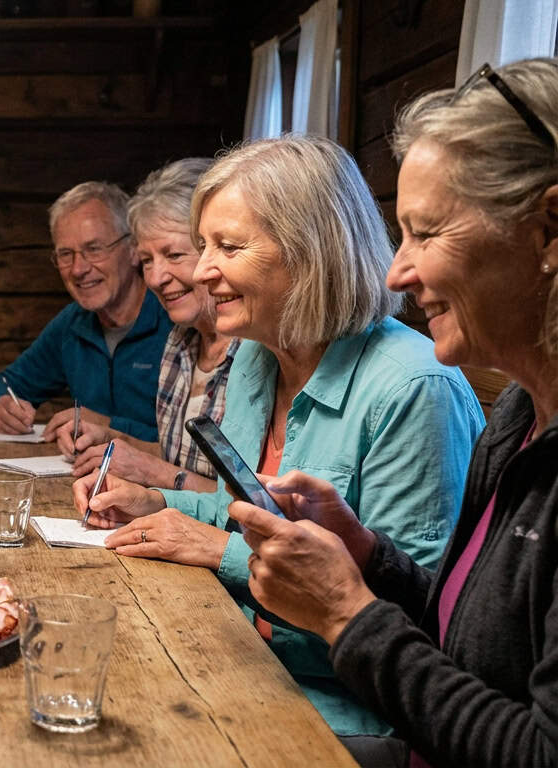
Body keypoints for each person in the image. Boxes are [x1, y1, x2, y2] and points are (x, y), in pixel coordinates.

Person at [72, 135, 485, 740]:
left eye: (228, 246)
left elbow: (426, 614)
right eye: (203, 246)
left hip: (347, 715)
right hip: (245, 659)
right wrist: (156, 501)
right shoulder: (256, 357)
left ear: (310, 251)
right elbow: (239, 513)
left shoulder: (414, 387)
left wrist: (218, 550)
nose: (202, 270)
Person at [230, 58, 558, 768]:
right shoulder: (519, 419)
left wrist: (345, 614)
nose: (396, 273)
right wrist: (369, 556)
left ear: (548, 230)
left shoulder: (420, 383)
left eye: (427, 233)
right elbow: (461, 637)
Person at [55, 158, 237, 491]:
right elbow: (177, 460)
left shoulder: (256, 352)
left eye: (174, 255)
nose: (155, 278)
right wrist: (115, 439)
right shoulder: (180, 341)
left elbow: (249, 502)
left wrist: (152, 473)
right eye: (148, 260)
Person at [0, 181, 172, 442]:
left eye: (94, 249)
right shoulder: (73, 323)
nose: (78, 269)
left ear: (133, 250)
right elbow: (2, 386)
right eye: (65, 254)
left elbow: (190, 448)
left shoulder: (174, 319)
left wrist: (108, 427)